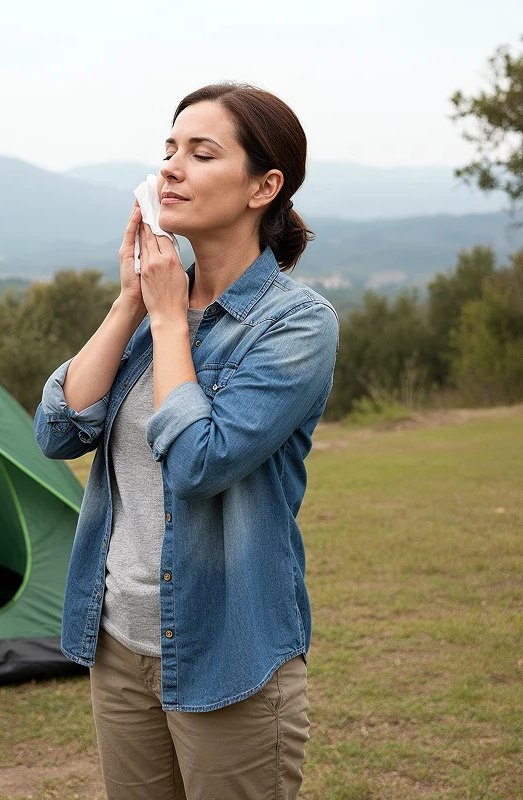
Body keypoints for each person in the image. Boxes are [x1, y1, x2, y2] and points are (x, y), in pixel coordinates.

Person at [33, 82, 339, 800]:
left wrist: (170, 319)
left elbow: (199, 462)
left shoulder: (295, 325)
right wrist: (131, 301)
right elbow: (58, 431)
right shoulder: (153, 307)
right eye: (169, 149)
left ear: (264, 187)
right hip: (119, 644)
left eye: (201, 153)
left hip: (228, 652)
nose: (170, 167)